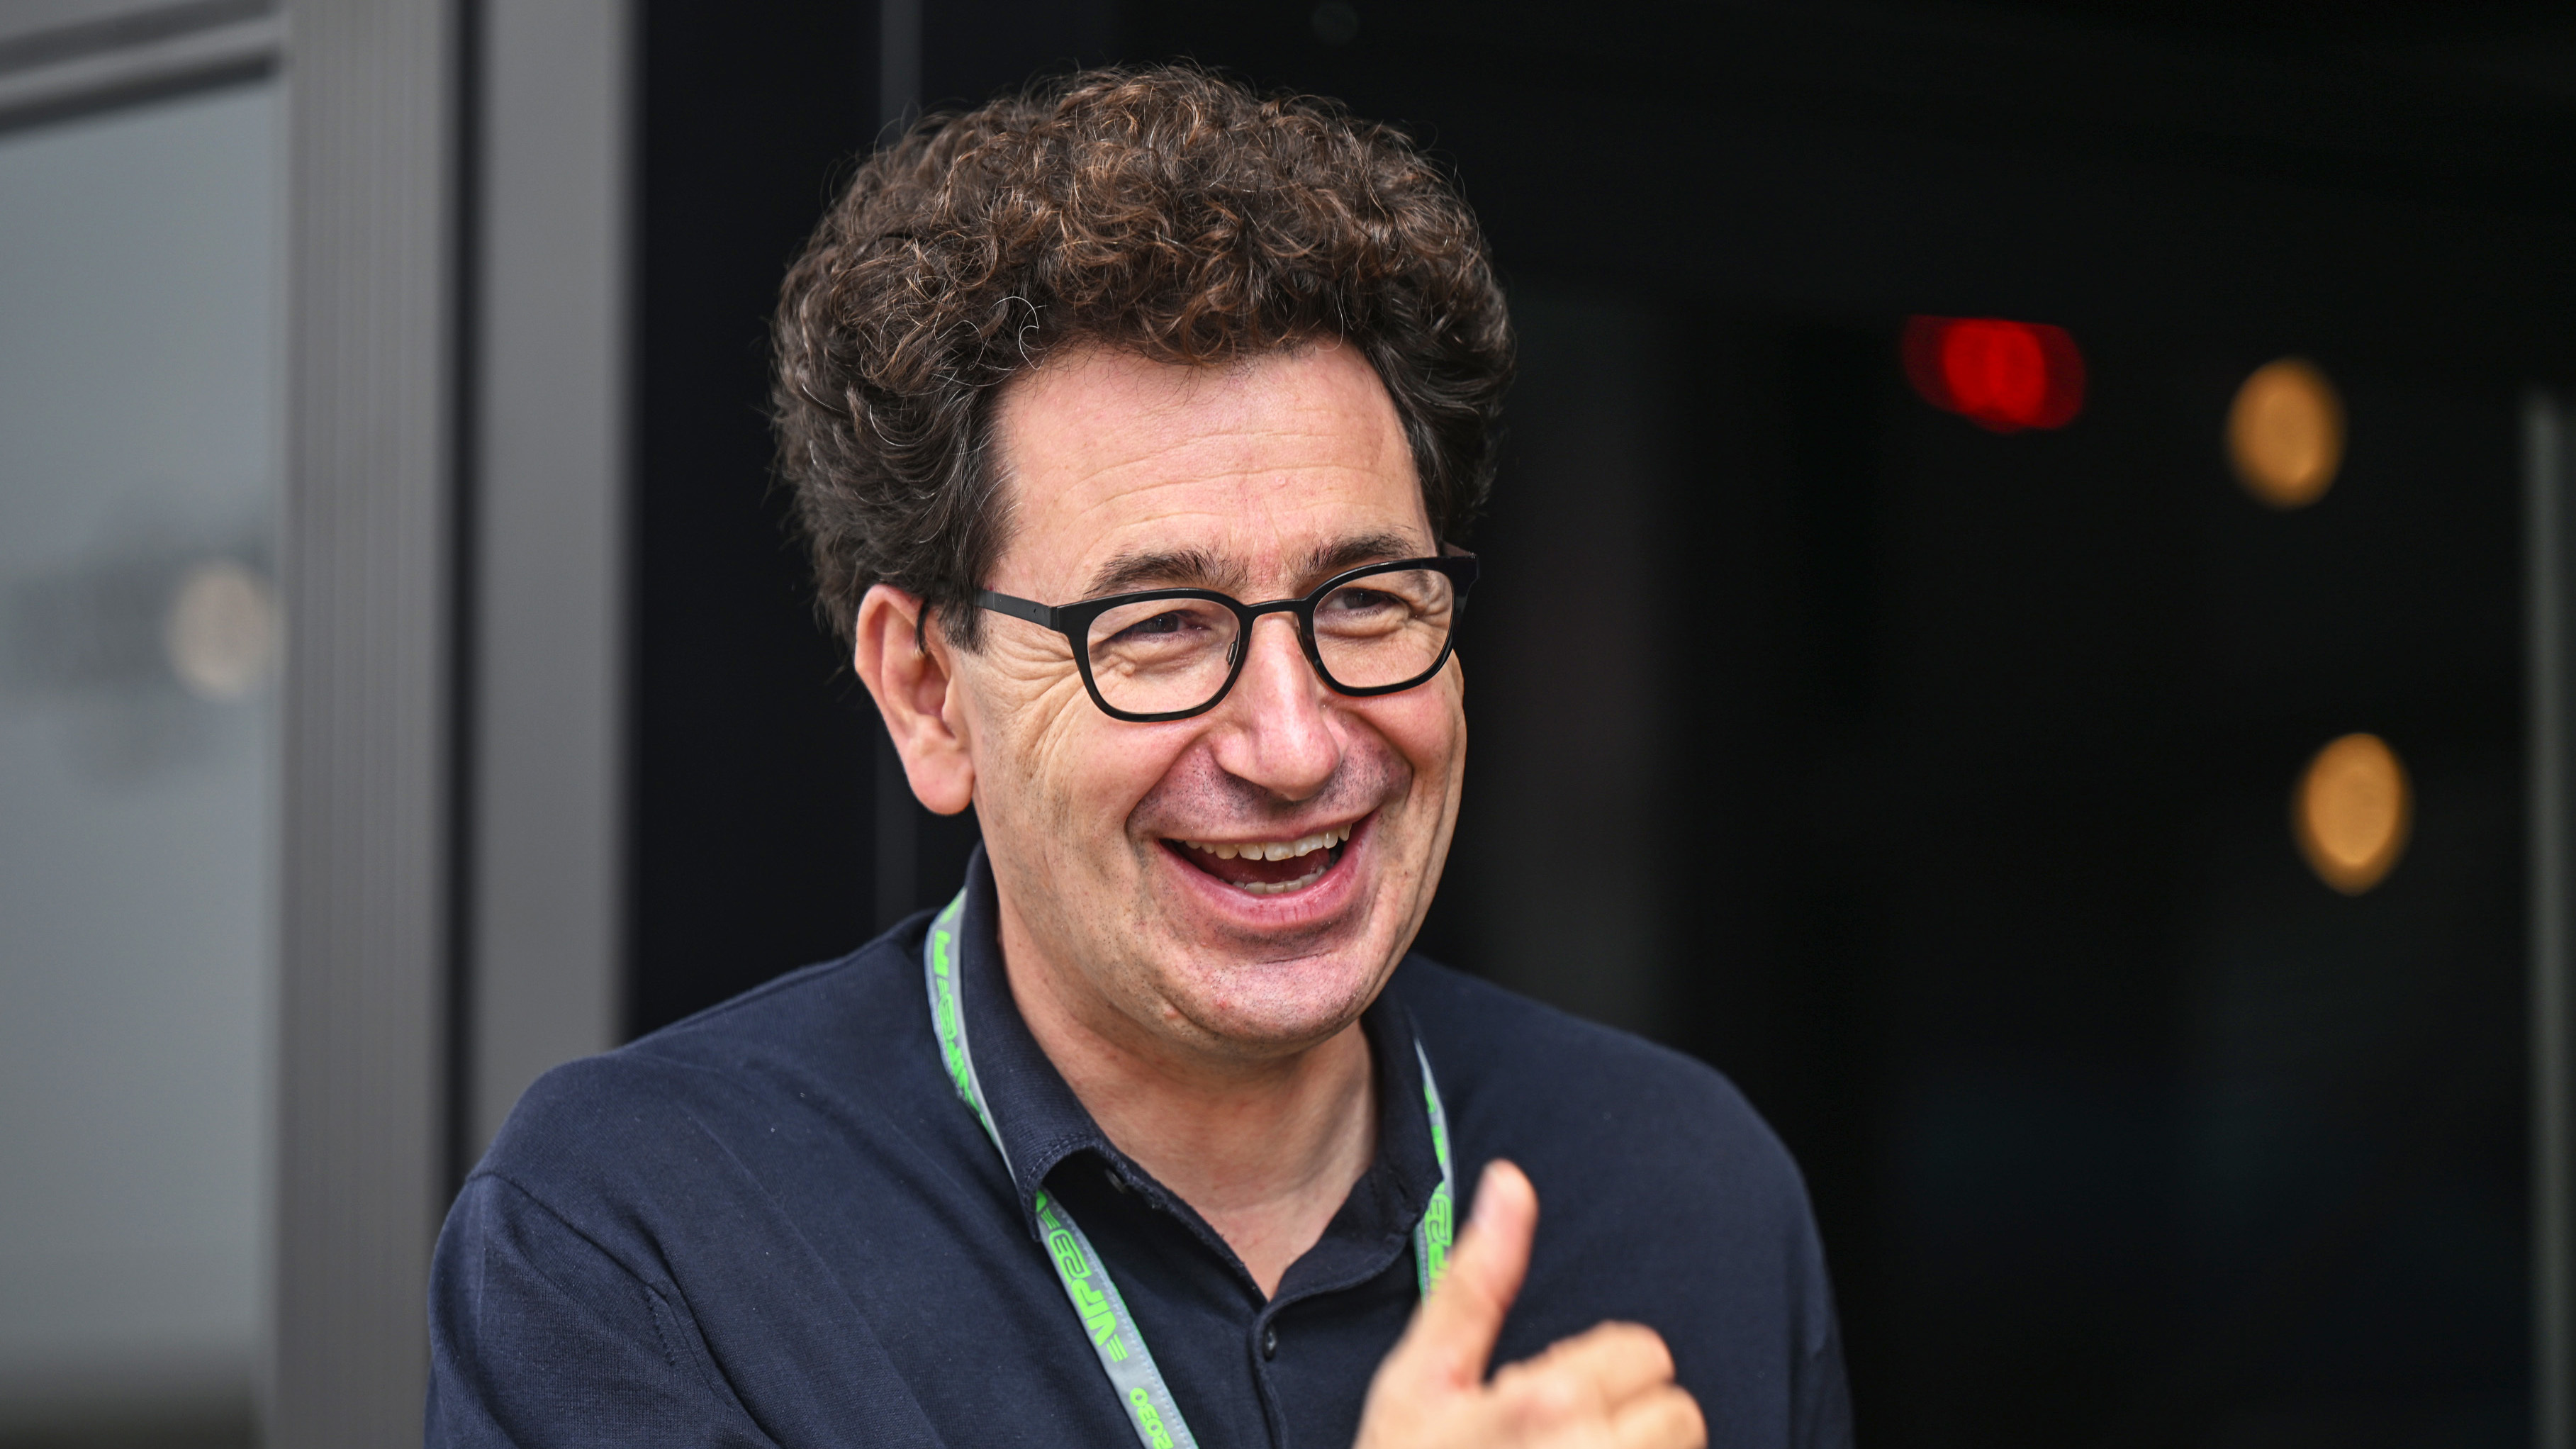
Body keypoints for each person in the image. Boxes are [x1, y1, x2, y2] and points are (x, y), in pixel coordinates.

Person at [427, 65, 1849, 1449]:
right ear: (928, 692)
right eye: (1160, 627)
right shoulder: (639, 1245)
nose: (1292, 743)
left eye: (1364, 598)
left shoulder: (1686, 1190)